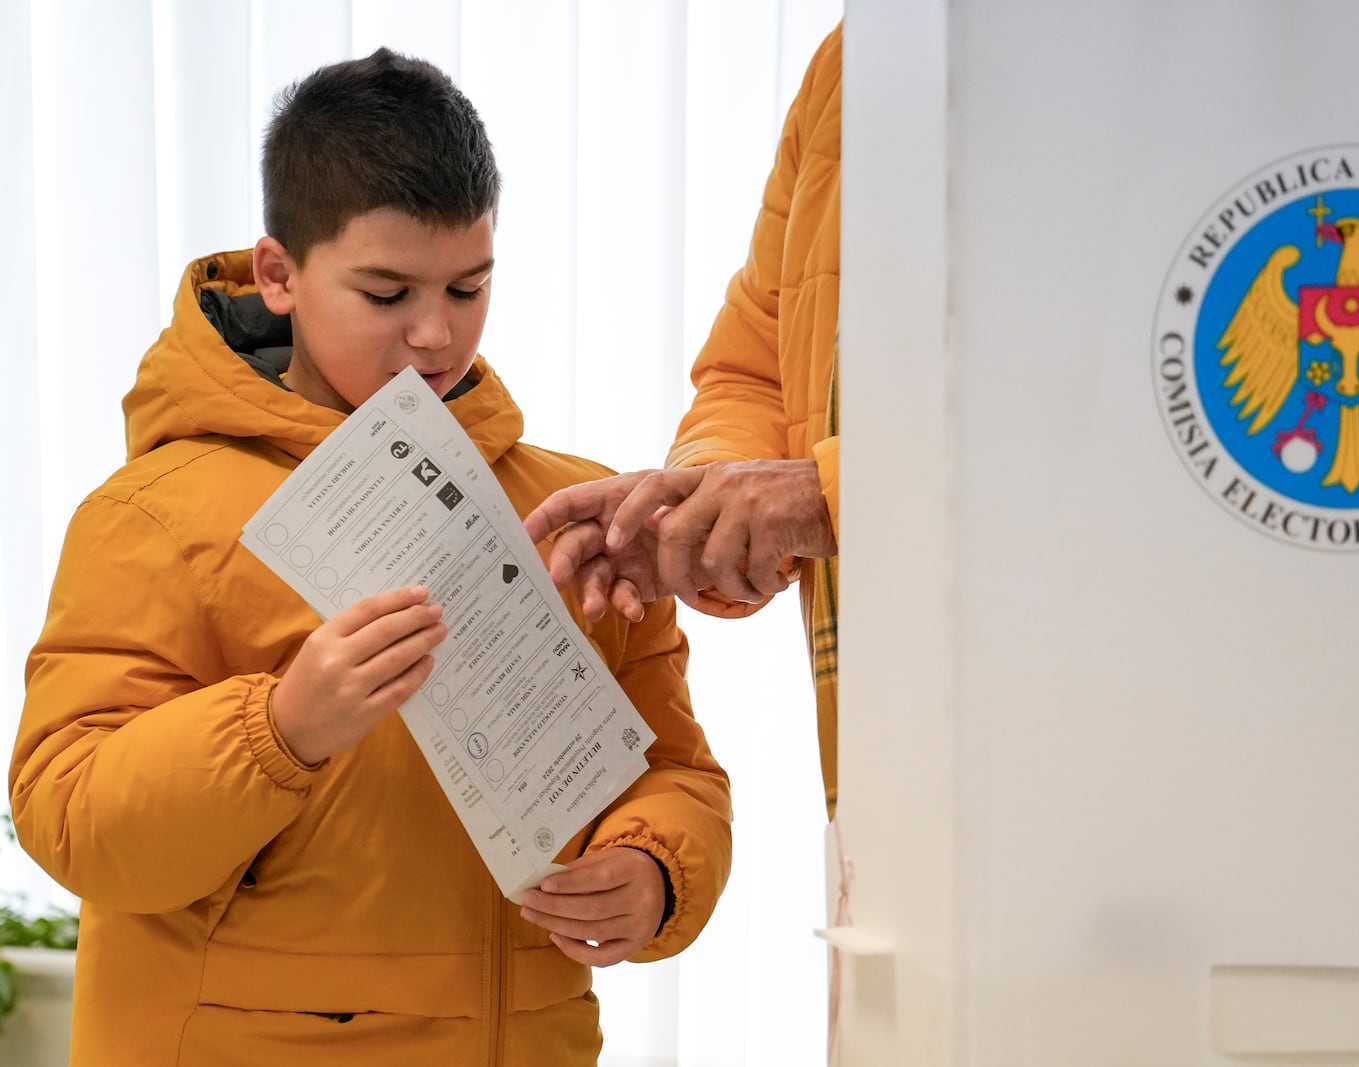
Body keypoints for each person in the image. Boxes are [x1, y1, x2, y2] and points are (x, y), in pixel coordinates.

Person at [7, 49, 731, 1066]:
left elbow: (674, 771)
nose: (436, 335)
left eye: (469, 286)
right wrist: (280, 726)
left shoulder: (571, 508)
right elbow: (69, 816)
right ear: (278, 274)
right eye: (386, 293)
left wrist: (657, 869)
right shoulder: (151, 515)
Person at [523, 24, 843, 816]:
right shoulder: (846, 66)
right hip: (874, 741)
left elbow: (1135, 424)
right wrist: (700, 506)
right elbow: (752, 364)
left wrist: (827, 493)